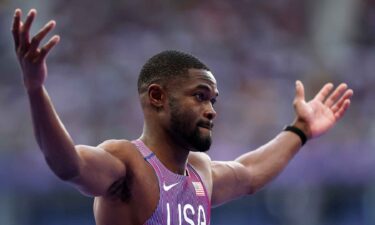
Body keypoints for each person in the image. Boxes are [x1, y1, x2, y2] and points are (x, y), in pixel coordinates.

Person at [12, 8, 353, 225]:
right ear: (158, 97)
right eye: (200, 97)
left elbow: (249, 173)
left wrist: (300, 129)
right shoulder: (126, 162)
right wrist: (34, 88)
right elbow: (67, 165)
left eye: (213, 100)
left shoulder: (200, 173)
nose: (211, 109)